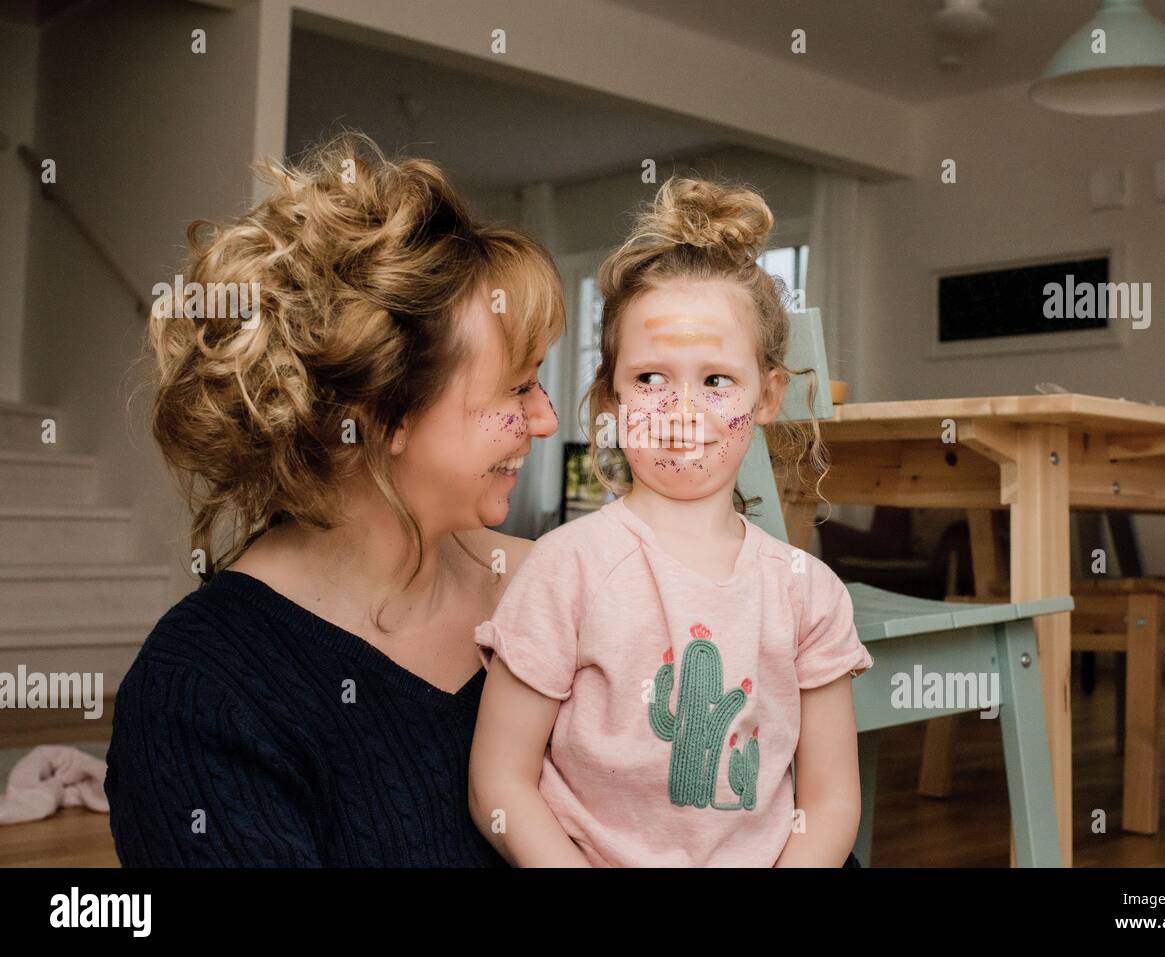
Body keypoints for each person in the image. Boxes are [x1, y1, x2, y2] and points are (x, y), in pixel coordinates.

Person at [105, 134, 564, 866]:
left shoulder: (554, 591)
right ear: (384, 412)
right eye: (517, 388)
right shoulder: (199, 697)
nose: (544, 420)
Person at [468, 177, 871, 866]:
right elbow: (499, 782)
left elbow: (831, 801)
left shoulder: (810, 593)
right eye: (652, 379)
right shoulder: (564, 569)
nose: (682, 412)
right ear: (611, 394)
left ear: (767, 395)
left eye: (716, 380)